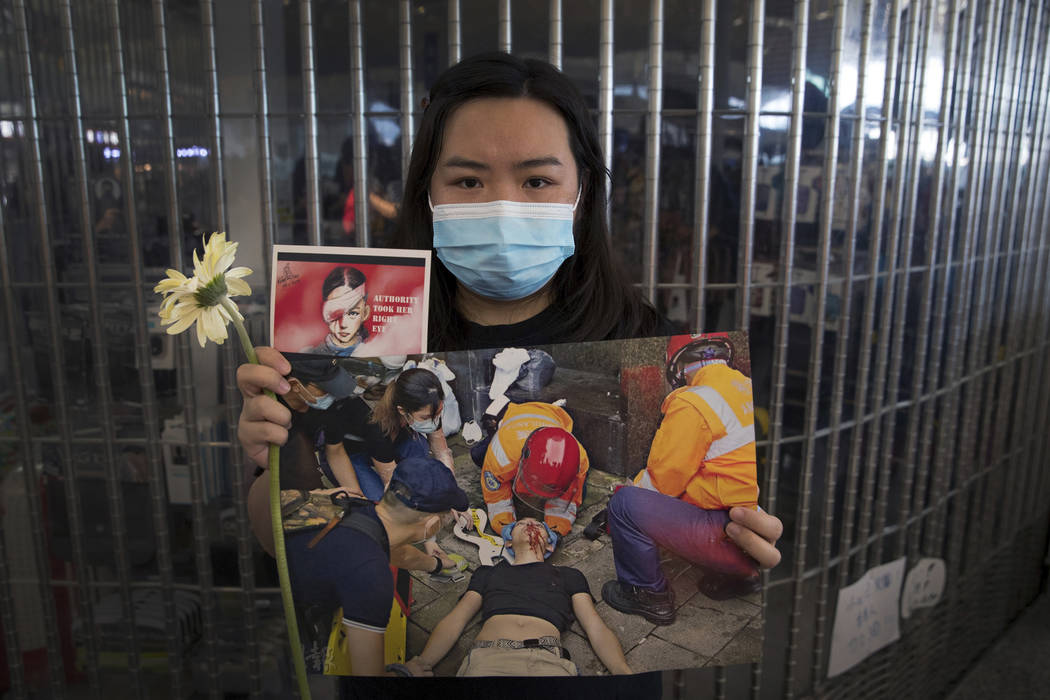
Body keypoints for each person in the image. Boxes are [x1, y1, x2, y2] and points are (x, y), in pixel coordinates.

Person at [238, 52, 783, 698]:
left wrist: (747, 538)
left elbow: (584, 492)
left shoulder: (634, 331)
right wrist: (277, 461)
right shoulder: (361, 331)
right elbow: (279, 541)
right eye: (468, 181)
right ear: (427, 192)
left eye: (536, 182)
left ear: (581, 192)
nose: (502, 204)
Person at [601, 336, 761, 626]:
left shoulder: (695, 401)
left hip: (726, 535)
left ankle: (648, 595)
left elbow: (662, 482)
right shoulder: (747, 387)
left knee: (625, 505)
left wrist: (624, 500)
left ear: (677, 366)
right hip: (758, 535)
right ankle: (740, 576)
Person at [283, 457, 468, 676]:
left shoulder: (354, 504)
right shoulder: (371, 576)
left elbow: (395, 550)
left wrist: (436, 565)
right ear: (431, 524)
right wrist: (405, 672)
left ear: (389, 487)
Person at [403, 518, 632, 677]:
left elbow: (595, 627)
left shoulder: (569, 575)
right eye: (521, 523)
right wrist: (425, 661)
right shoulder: (489, 572)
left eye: (538, 525)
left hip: (547, 662)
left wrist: (622, 671)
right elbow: (457, 619)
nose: (530, 524)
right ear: (509, 542)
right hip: (488, 660)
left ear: (550, 544)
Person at [476, 402, 588, 537]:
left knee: (582, 490)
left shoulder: (579, 459)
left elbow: (569, 497)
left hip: (552, 413)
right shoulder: (503, 452)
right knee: (478, 455)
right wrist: (504, 526)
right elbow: (495, 494)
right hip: (513, 416)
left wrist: (556, 530)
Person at [303, 266, 371, 356]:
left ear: (365, 313)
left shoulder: (373, 353)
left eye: (353, 313)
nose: (343, 324)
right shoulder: (309, 354)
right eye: (335, 313)